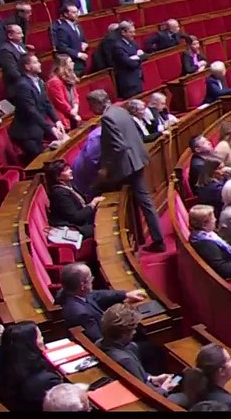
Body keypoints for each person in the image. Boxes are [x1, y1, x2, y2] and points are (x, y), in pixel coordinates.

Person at [96, 90, 165, 251]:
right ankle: (149, 237)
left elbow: (118, 146)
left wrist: (106, 168)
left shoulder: (107, 118)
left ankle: (154, 240)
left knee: (142, 202)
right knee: (145, 201)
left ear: (97, 104)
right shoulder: (120, 110)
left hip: (127, 165)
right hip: (137, 159)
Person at [55, 262, 146, 343]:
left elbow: (97, 295)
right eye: (90, 278)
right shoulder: (80, 314)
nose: (92, 279)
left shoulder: (71, 291)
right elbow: (99, 340)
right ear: (83, 285)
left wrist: (125, 294)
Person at [98, 304, 174, 389]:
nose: (134, 332)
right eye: (132, 330)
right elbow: (143, 390)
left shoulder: (100, 343)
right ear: (123, 334)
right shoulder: (126, 360)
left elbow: (138, 377)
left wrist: (151, 378)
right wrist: (164, 388)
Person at [0, 322, 64, 411]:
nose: (42, 339)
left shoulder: (7, 367)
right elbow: (67, 403)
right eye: (40, 336)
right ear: (30, 343)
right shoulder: (47, 381)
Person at [169, 344, 231, 410]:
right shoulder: (230, 404)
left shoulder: (186, 377)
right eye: (230, 359)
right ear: (221, 371)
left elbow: (175, 379)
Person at [45, 160, 100, 239]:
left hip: (83, 220)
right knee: (103, 225)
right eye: (66, 170)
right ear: (57, 176)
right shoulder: (59, 193)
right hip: (75, 228)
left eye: (69, 168)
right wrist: (92, 204)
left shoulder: (69, 185)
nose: (71, 171)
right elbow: (75, 217)